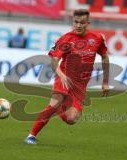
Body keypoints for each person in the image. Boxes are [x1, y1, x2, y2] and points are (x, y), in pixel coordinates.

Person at [25, 9, 110, 144]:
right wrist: (61, 75)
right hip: (64, 77)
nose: (78, 25)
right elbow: (53, 61)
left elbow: (105, 57)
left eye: (82, 22)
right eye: (76, 22)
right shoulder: (66, 39)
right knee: (54, 103)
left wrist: (105, 81)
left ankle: (59, 109)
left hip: (80, 85)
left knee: (72, 119)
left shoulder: (97, 38)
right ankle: (31, 135)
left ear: (88, 23)